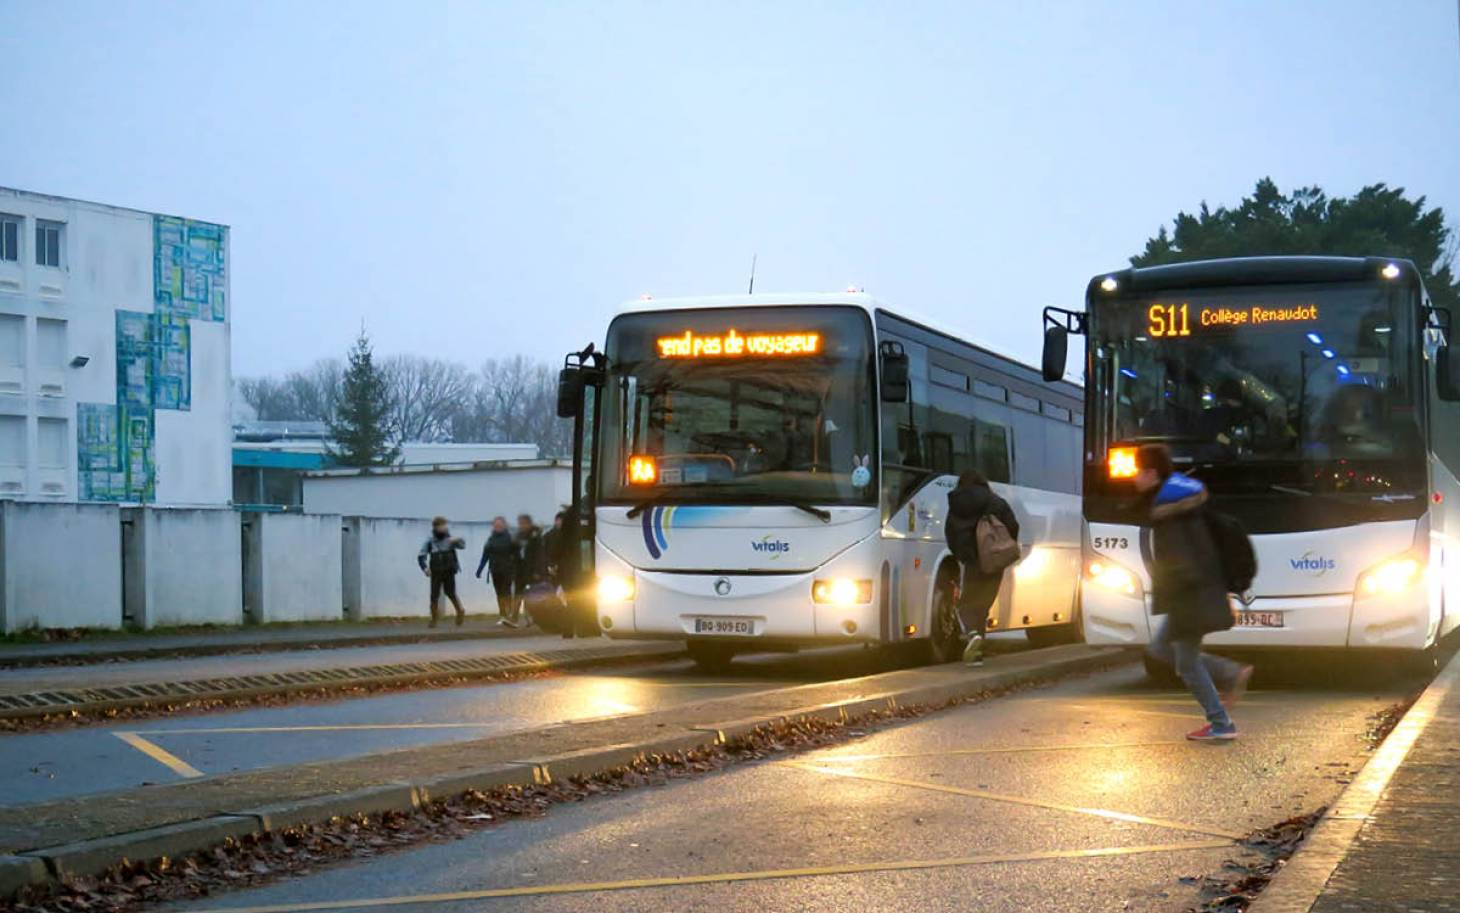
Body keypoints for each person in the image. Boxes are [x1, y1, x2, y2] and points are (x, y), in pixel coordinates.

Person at [1135, 443, 1253, 742]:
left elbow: (1180, 559)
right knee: (1167, 652)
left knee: (1180, 659)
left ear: (1150, 472)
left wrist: (1173, 592)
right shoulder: (1182, 501)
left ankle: (1222, 714)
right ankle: (1223, 702)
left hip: (1189, 597)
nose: (1135, 478)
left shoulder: (1169, 509)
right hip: (1195, 593)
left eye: (1138, 471)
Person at [944, 469, 1019, 666]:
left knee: (967, 603)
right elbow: (1013, 526)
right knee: (983, 605)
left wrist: (963, 555)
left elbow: (950, 534)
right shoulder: (996, 501)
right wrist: (999, 548)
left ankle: (973, 638)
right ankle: (977, 646)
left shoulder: (956, 504)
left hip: (972, 562)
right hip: (994, 561)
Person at [417, 516, 466, 628]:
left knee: (451, 592)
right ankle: (434, 619)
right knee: (434, 595)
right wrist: (425, 568)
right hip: (436, 571)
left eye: (444, 526)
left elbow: (463, 546)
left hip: (449, 570)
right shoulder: (430, 541)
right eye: (440, 527)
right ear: (435, 528)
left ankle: (460, 611)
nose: (442, 529)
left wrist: (457, 539)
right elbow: (421, 556)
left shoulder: (450, 539)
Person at [476, 516, 520, 626]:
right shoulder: (490, 540)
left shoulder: (510, 538)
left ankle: (509, 613)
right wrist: (480, 569)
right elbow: (485, 555)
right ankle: (503, 615)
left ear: (504, 525)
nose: (498, 527)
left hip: (508, 570)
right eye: (496, 525)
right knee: (499, 593)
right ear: (493, 526)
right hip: (495, 570)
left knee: (506, 591)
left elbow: (517, 555)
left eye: (500, 525)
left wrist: (519, 568)